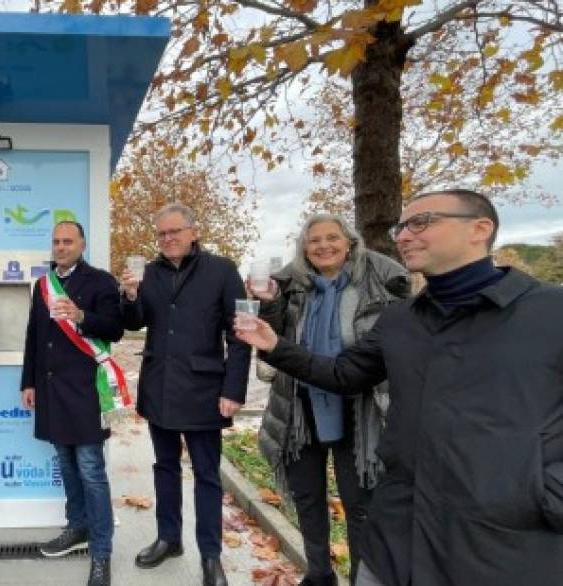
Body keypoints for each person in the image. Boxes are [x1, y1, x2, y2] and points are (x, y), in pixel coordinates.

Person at [236, 189, 563, 586]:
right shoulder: (401, 320)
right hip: (395, 539)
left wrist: (537, 497)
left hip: (503, 550)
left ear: (480, 229)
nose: (404, 236)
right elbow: (344, 374)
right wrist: (274, 345)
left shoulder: (549, 312)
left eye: (421, 223)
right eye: (401, 227)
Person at [250, 214, 409, 585]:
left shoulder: (380, 282)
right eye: (314, 240)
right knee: (307, 497)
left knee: (360, 505)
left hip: (360, 405)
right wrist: (270, 304)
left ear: (349, 242)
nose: (323, 246)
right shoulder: (291, 287)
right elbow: (272, 341)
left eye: (331, 238)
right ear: (304, 249)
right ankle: (319, 574)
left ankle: (360, 577)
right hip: (300, 405)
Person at [120, 203, 251, 586]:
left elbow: (239, 333)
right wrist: (129, 295)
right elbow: (134, 322)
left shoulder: (222, 270)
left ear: (193, 232)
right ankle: (169, 538)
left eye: (174, 231)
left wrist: (233, 388)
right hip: (158, 387)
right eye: (161, 234)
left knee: (207, 475)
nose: (168, 239)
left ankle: (211, 555)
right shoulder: (149, 272)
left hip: (204, 391)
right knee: (164, 467)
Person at [21, 221, 124, 586]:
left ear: (82, 243)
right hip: (51, 389)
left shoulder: (100, 281)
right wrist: (28, 381)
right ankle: (77, 526)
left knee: (92, 471)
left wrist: (81, 316)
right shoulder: (43, 284)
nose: (61, 247)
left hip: (84, 390)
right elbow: (34, 335)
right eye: (56, 242)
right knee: (66, 465)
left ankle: (101, 551)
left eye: (68, 241)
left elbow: (115, 328)